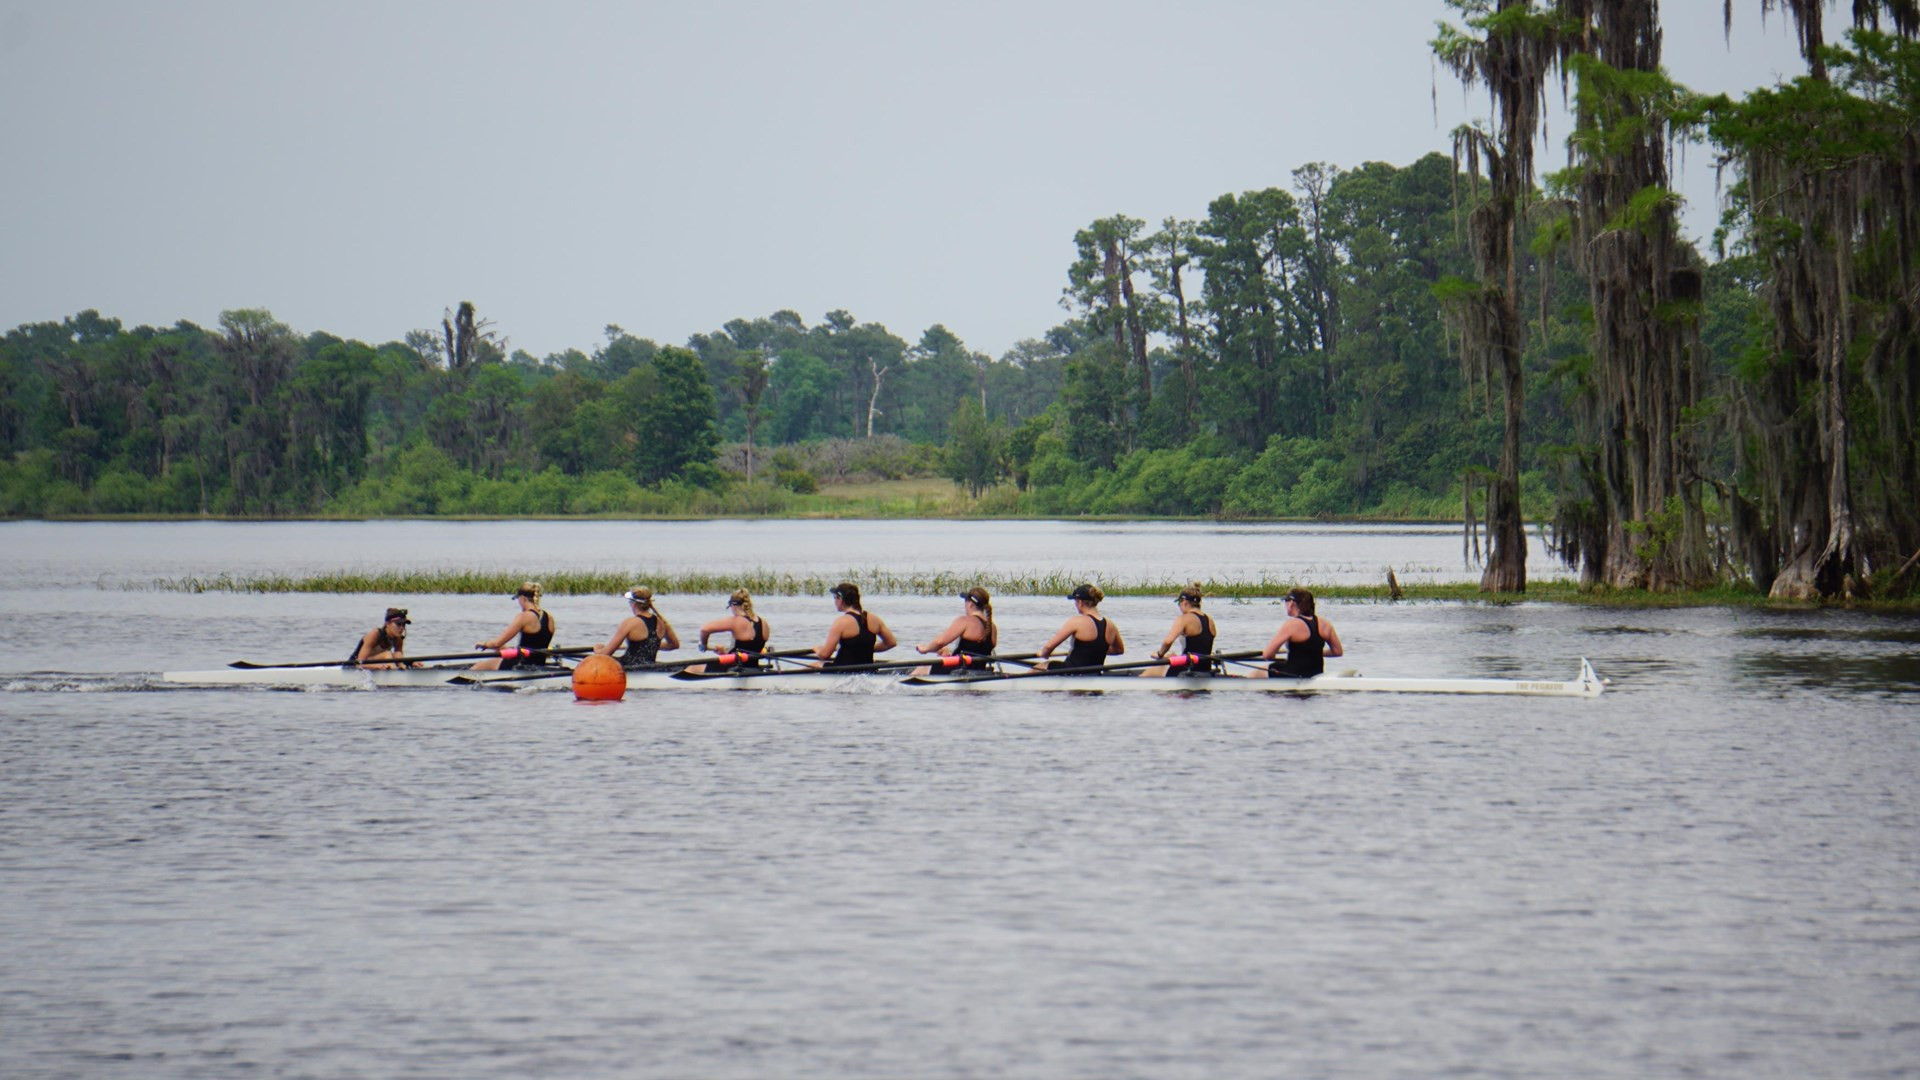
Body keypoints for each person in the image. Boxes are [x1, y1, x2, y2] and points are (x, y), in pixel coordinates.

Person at [1253, 587, 1344, 678]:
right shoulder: (1325, 624)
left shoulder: (1291, 625)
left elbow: (1267, 655)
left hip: (1293, 674)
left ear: (1292, 603)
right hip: (1316, 673)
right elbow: (1337, 652)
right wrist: (1313, 652)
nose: (1285, 605)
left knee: (1259, 672)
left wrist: (1273, 655)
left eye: (1286, 602)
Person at [1035, 583, 1124, 673]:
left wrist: (1043, 653)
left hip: (1072, 672)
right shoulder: (1111, 625)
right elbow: (1119, 650)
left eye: (1075, 601)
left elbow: (1049, 647)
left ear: (1080, 602)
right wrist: (1095, 648)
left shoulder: (1077, 621)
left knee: (1038, 667)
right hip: (1095, 672)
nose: (1075, 605)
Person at [470, 582, 557, 671]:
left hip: (520, 665)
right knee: (498, 654)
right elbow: (535, 645)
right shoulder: (549, 618)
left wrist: (485, 644)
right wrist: (502, 648)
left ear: (523, 599)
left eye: (518, 599)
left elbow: (496, 643)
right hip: (539, 664)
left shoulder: (524, 617)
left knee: (477, 667)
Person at [684, 588, 772, 673]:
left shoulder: (736, 621)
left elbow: (704, 629)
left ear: (733, 605)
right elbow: (748, 648)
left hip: (733, 668)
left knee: (692, 668)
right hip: (753, 667)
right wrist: (724, 652)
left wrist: (703, 645)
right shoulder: (763, 623)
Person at [812, 581, 897, 669]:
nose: (834, 601)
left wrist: (817, 649)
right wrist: (867, 648)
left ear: (840, 599)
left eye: (835, 597)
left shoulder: (841, 622)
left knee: (815, 665)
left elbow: (825, 655)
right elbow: (891, 643)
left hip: (842, 670)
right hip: (869, 670)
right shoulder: (875, 619)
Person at [593, 586, 681, 670]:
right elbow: (673, 645)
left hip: (630, 667)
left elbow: (605, 654)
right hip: (650, 666)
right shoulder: (662, 622)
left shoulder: (629, 623)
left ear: (633, 604)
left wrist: (597, 649)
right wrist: (650, 645)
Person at [1143, 584, 1221, 678]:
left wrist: (1160, 654)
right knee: (1171, 657)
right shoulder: (1210, 619)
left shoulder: (1184, 619)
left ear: (1184, 602)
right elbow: (1200, 645)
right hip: (1205, 668)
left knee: (1153, 669)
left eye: (1178, 604)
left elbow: (1168, 642)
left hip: (1187, 669)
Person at [915, 586, 997, 665]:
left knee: (922, 668)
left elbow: (939, 642)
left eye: (965, 601)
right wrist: (946, 653)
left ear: (970, 604)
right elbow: (975, 652)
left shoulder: (965, 621)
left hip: (958, 670)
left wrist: (925, 649)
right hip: (979, 670)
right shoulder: (992, 628)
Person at [348, 607, 413, 669]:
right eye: (398, 624)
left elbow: (398, 657)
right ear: (387, 624)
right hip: (352, 667)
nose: (401, 628)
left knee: (398, 654)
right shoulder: (374, 634)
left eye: (403, 624)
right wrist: (377, 666)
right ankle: (395, 673)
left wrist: (410, 663)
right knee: (387, 654)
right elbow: (359, 663)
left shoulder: (398, 637)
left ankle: (402, 670)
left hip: (377, 663)